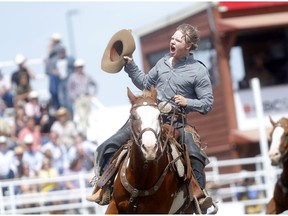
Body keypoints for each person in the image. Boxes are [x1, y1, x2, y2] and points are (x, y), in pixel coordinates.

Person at [88, 24, 214, 213]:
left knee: (195, 154)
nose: (172, 41)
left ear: (188, 46)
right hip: (149, 117)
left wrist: (187, 102)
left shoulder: (198, 71)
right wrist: (130, 65)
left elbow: (207, 103)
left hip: (176, 121)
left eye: (178, 40)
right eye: (173, 37)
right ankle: (103, 186)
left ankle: (199, 196)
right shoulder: (162, 62)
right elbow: (145, 83)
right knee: (108, 145)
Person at [67, 58, 97, 133]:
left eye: (81, 67)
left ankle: (86, 132)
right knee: (81, 115)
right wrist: (73, 98)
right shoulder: (72, 77)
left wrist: (93, 94)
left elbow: (95, 84)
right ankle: (83, 133)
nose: (79, 68)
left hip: (86, 97)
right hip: (78, 99)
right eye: (78, 67)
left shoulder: (87, 76)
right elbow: (69, 88)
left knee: (87, 116)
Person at [53, 46, 75, 114]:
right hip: (60, 82)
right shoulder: (56, 61)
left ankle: (71, 118)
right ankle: (66, 117)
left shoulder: (70, 59)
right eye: (60, 52)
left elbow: (75, 67)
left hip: (68, 81)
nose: (62, 53)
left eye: (63, 52)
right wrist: (54, 71)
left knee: (69, 102)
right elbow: (50, 68)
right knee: (62, 100)